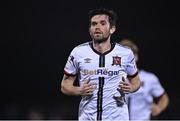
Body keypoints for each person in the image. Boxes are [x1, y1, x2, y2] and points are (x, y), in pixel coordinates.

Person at [61, 8, 141, 120]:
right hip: (88, 117)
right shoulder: (78, 52)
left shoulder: (125, 53)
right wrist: (79, 90)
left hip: (117, 117)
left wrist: (131, 88)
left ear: (112, 29)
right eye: (94, 24)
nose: (97, 27)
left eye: (102, 23)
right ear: (90, 30)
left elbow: (136, 81)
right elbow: (65, 85)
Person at [119, 38, 169, 120]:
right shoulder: (111, 78)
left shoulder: (149, 78)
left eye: (130, 55)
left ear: (136, 57)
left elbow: (163, 97)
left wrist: (159, 108)